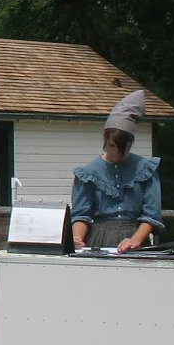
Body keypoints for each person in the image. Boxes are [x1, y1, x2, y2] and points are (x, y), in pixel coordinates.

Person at [70, 90, 163, 252]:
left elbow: (152, 214)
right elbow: (81, 215)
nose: (117, 154)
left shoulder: (146, 169)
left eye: (123, 148)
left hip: (135, 238)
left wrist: (136, 239)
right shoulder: (88, 173)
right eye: (112, 146)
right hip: (98, 239)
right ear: (105, 140)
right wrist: (77, 237)